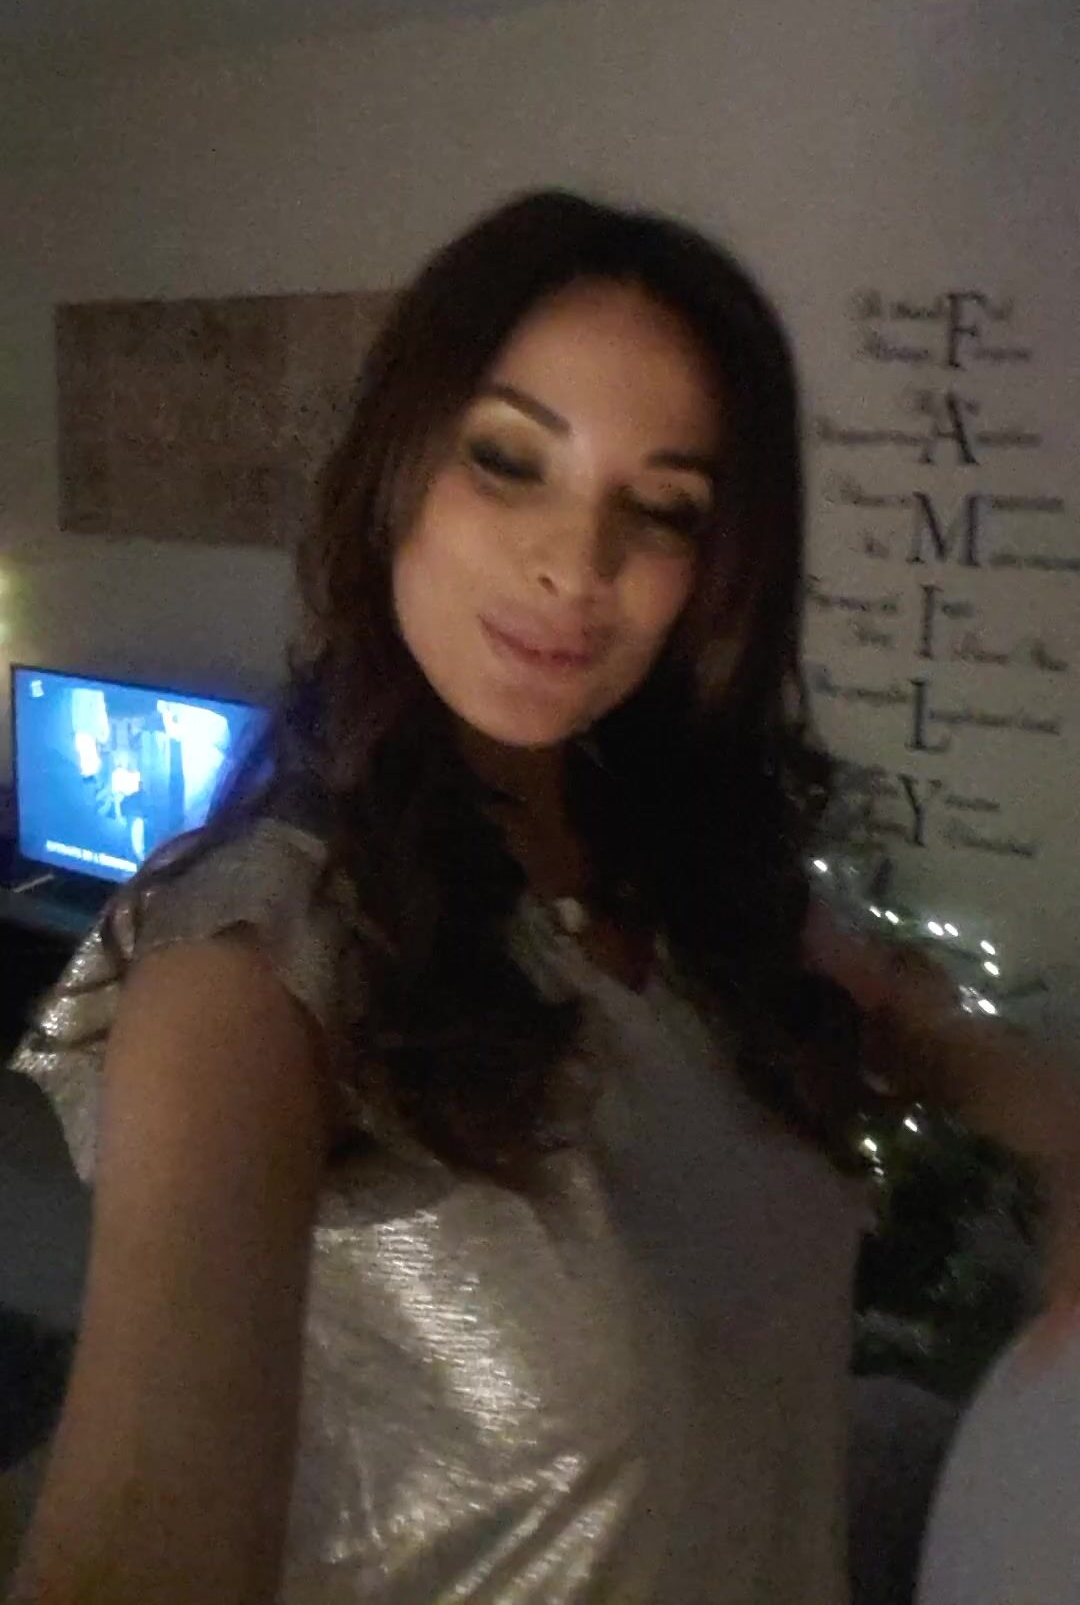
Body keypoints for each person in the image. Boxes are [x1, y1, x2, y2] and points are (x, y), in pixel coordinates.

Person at [8, 190, 1080, 1605]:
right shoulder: (253, 967)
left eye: (663, 508)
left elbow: (919, 1025)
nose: (578, 567)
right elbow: (141, 1535)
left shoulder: (691, 875)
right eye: (509, 461)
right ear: (394, 471)